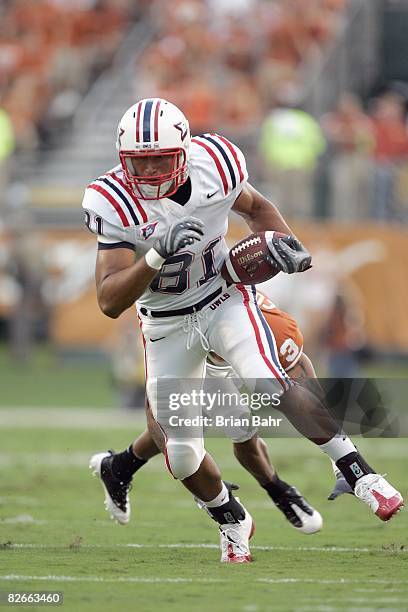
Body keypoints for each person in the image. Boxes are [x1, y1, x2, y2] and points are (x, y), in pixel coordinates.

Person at [83, 98, 403, 563]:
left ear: (185, 150)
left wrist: (283, 245)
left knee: (266, 379)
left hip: (222, 295)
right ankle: (231, 518)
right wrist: (154, 256)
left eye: (161, 158)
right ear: (122, 158)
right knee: (184, 456)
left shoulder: (215, 164)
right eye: (140, 160)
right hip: (166, 324)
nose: (150, 171)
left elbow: (258, 208)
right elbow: (110, 300)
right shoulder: (112, 199)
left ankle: (358, 473)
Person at [91, 291, 323, 536]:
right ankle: (123, 468)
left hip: (221, 345)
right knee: (182, 426)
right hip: (185, 341)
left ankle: (120, 467)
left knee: (232, 428)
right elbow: (160, 426)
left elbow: (299, 363)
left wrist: (333, 442)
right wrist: (205, 488)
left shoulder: (252, 312)